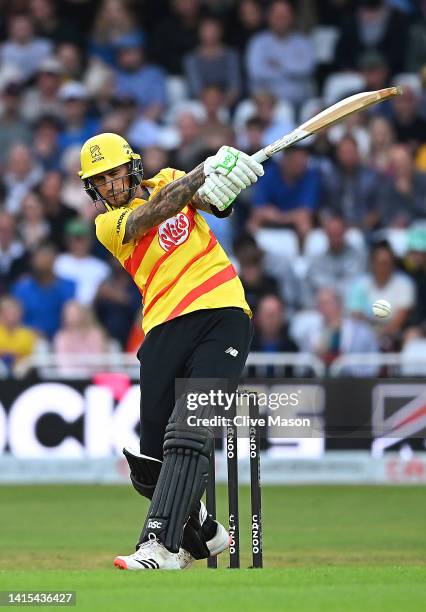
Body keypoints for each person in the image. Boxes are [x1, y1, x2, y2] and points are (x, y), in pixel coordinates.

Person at [79, 132, 264, 570]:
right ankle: (204, 530)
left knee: (188, 429)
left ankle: (158, 546)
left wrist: (227, 180)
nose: (110, 184)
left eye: (114, 173)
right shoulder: (108, 225)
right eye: (99, 180)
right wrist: (205, 168)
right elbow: (153, 213)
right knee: (149, 468)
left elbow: (213, 203)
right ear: (92, 189)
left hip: (222, 313)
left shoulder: (170, 178)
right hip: (162, 327)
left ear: (132, 166)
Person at [347, 240, 415, 349]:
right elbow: (355, 314)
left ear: (393, 263)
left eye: (387, 263)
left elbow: (401, 316)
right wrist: (371, 335)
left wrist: (381, 335)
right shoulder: (360, 284)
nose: (383, 267)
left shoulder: (404, 283)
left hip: (395, 335)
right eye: (380, 263)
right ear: (372, 263)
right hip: (365, 334)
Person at [246, 0, 315, 105]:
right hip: (266, 103)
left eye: (284, 16)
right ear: (269, 17)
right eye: (277, 16)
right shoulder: (258, 42)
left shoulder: (303, 42)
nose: (280, 21)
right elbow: (256, 72)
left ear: (292, 17)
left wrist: (279, 64)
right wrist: (291, 70)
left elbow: (307, 68)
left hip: (299, 102)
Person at [249, 144, 320, 240]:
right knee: (254, 220)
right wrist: (277, 216)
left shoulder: (310, 176)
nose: (302, 163)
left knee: (304, 221)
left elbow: (306, 211)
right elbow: (258, 207)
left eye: (304, 159)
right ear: (286, 160)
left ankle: (303, 254)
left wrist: (283, 217)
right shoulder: (270, 173)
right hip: (272, 219)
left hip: (293, 220)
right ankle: (254, 252)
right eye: (297, 160)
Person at [11, 243, 75, 340]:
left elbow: (73, 319)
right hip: (27, 342)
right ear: (32, 261)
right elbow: (13, 319)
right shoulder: (21, 288)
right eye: (40, 257)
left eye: (47, 256)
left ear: (55, 259)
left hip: (62, 342)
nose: (43, 260)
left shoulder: (69, 286)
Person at [0, 295, 39, 373]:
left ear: (20, 314)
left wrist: (15, 356)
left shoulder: (28, 334)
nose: (11, 316)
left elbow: (31, 356)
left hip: (22, 371)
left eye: (14, 313)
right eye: (8, 313)